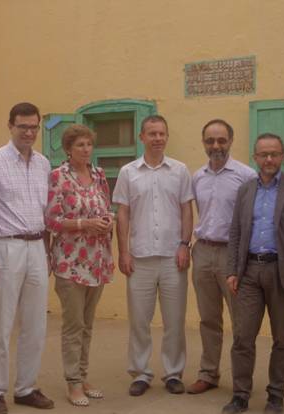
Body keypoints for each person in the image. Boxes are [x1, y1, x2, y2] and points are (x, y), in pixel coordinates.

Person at [222, 133, 284, 414]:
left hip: (281, 273)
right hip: (249, 271)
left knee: (281, 338)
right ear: (255, 157)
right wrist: (232, 271)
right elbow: (236, 232)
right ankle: (240, 395)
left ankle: (276, 396)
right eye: (263, 154)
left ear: (283, 156)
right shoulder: (246, 190)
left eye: (274, 154)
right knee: (242, 337)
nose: (269, 159)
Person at [0, 102, 53, 413]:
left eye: (34, 126)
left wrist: (47, 251)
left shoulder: (43, 163)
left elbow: (46, 212)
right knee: (1, 323)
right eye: (23, 126)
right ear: (10, 126)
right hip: (4, 247)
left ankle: (26, 387)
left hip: (36, 247)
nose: (29, 132)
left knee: (36, 323)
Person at [113, 115, 194, 397]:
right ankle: (141, 373)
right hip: (140, 257)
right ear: (142, 137)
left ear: (167, 136)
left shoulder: (180, 170)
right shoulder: (128, 172)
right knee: (139, 320)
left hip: (174, 257)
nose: (157, 138)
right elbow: (122, 214)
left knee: (174, 320)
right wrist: (123, 251)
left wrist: (185, 244)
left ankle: (173, 373)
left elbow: (186, 209)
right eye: (152, 134)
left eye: (162, 133)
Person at [46, 124, 114, 407]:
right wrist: (85, 224)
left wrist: (106, 221)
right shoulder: (58, 177)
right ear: (68, 150)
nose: (86, 150)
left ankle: (83, 376)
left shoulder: (99, 175)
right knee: (73, 325)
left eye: (88, 144)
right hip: (70, 262)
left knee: (87, 325)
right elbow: (51, 221)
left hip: (97, 261)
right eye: (80, 146)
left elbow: (107, 208)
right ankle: (72, 383)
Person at [187, 119, 256, 394]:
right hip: (202, 251)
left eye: (221, 140)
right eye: (210, 141)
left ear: (231, 141)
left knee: (241, 319)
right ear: (203, 143)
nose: (216, 146)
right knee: (208, 318)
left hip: (233, 254)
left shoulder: (246, 175)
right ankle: (208, 373)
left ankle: (242, 380)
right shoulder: (197, 176)